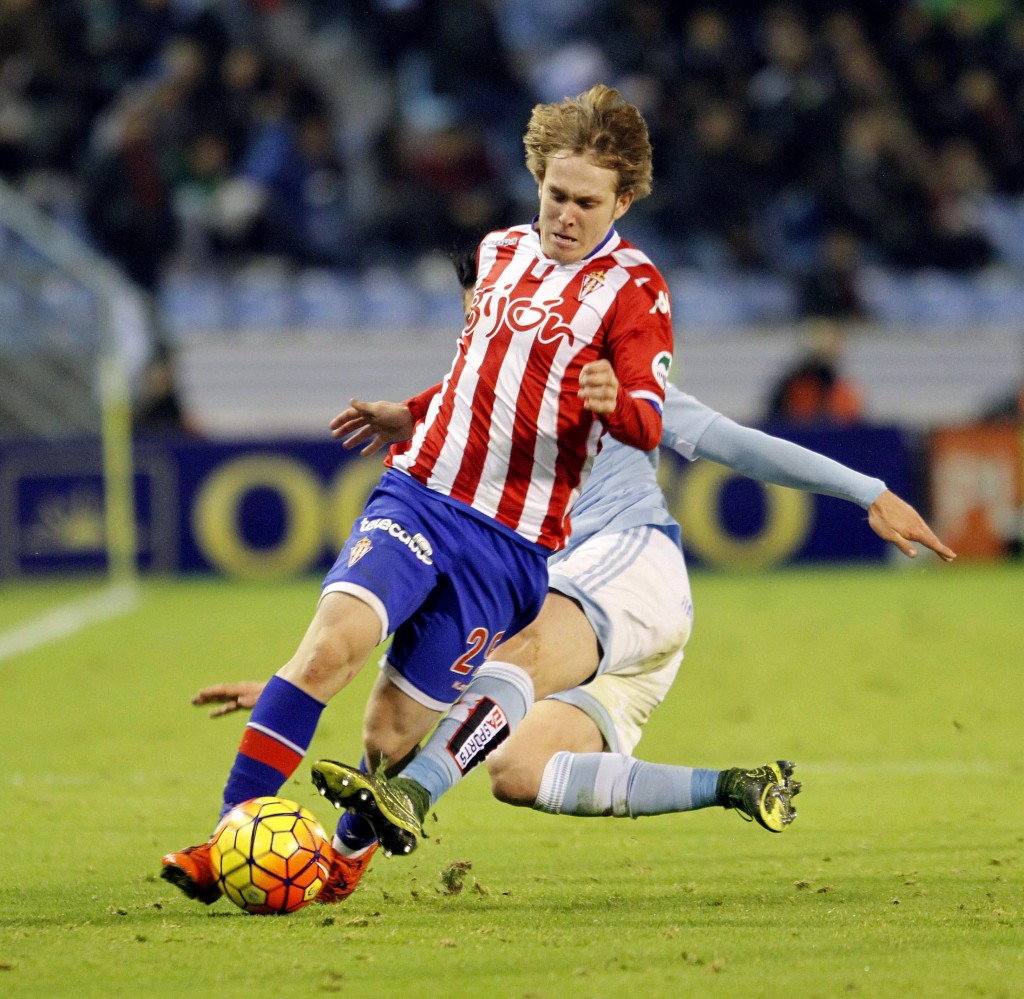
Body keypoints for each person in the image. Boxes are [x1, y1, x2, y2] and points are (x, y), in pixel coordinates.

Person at [196, 251, 955, 899]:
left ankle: (412, 797)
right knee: (518, 770)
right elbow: (432, 632)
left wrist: (871, 492)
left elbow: (739, 443)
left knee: (508, 664)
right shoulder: (479, 415)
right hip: (579, 613)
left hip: (631, 567)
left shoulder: (614, 383)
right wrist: (300, 682)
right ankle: (735, 784)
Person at [160, 83, 676, 905]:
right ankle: (228, 837)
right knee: (331, 647)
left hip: (508, 548)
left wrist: (626, 407)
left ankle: (345, 855)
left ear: (623, 200)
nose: (566, 215)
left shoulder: (635, 291)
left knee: (389, 732)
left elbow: (652, 412)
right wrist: (416, 411)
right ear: (537, 178)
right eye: (556, 195)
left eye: (586, 202)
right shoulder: (501, 251)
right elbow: (487, 375)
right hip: (420, 494)